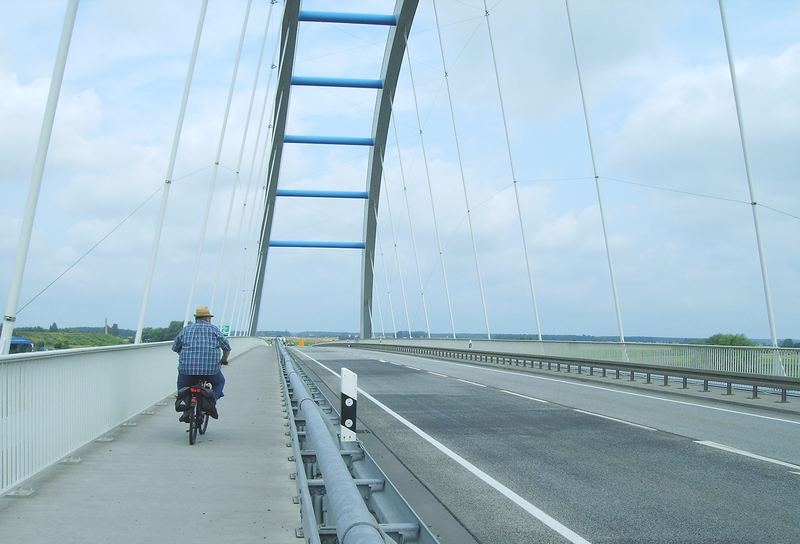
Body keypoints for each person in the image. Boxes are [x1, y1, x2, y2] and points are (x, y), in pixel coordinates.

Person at [172, 306, 231, 421]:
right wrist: (224, 360)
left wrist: (185, 355)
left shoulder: (186, 330)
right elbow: (227, 347)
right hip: (210, 370)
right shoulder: (214, 330)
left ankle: (185, 409)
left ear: (196, 318)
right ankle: (211, 403)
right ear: (208, 318)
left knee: (182, 385)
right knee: (219, 382)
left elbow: (175, 347)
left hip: (187, 369)